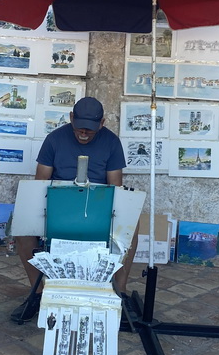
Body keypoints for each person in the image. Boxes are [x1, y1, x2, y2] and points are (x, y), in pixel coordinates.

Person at [11, 96, 138, 323]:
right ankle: (37, 295)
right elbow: (40, 183)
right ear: (71, 118)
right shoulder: (54, 139)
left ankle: (121, 293)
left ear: (102, 123)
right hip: (59, 209)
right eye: (79, 128)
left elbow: (115, 187)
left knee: (132, 227)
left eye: (90, 130)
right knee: (21, 229)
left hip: (97, 209)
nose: (83, 133)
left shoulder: (111, 142)